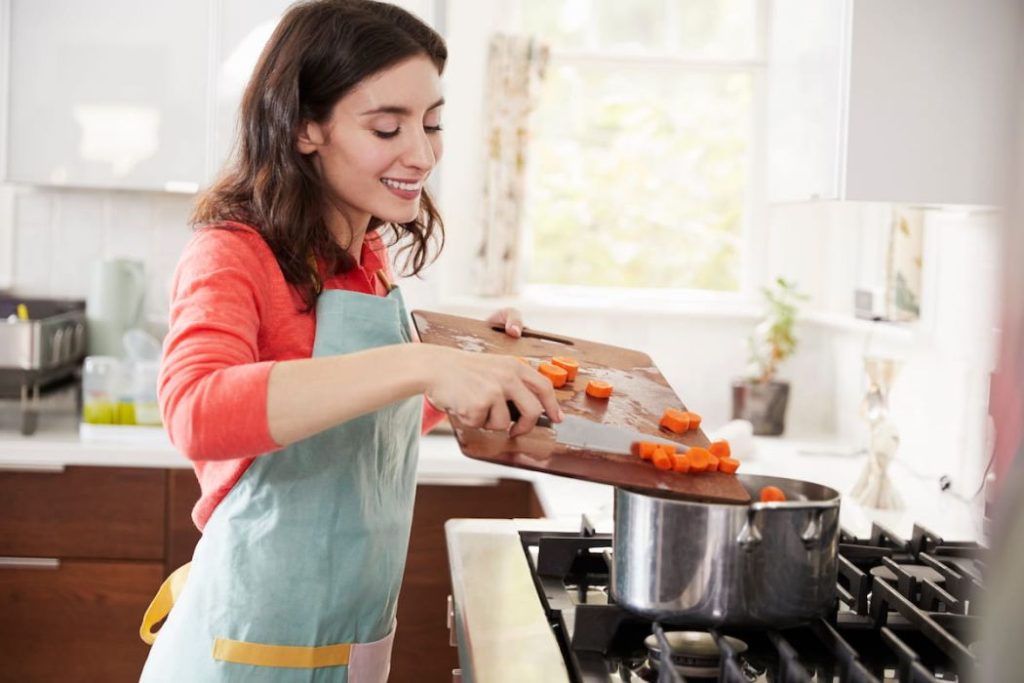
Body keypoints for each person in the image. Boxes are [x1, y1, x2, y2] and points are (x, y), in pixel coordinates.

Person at [138, 1, 562, 680]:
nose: (422, 154)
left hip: (347, 652)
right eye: (388, 126)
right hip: (241, 658)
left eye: (432, 124)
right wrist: (420, 361)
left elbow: (358, 426)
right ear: (306, 125)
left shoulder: (363, 257)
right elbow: (196, 410)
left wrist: (471, 372)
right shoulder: (233, 251)